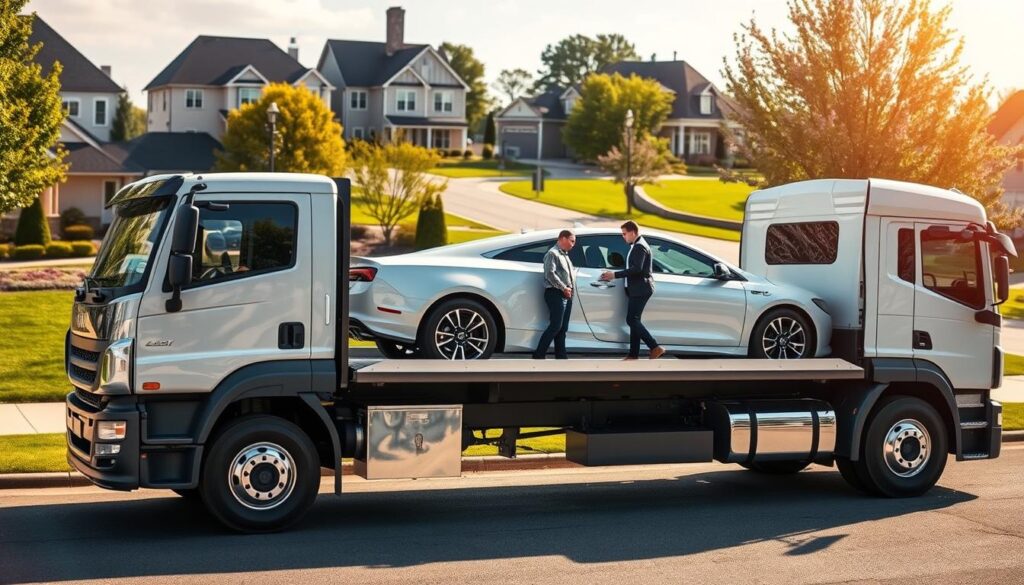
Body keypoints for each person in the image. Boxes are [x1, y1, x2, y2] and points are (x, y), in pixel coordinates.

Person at [600, 221, 666, 360]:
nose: (623, 237)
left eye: (624, 234)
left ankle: (654, 347)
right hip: (638, 288)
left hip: (640, 289)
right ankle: (633, 354)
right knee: (635, 321)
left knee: (631, 320)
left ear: (633, 232)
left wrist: (614, 275)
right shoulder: (638, 245)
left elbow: (637, 269)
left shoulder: (639, 247)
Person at [533, 229, 577, 359]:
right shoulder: (552, 254)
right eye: (572, 241)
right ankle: (538, 355)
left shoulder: (565, 255)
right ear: (563, 238)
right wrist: (564, 288)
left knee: (563, 328)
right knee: (555, 326)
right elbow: (549, 274)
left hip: (566, 295)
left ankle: (561, 356)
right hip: (555, 293)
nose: (573, 245)